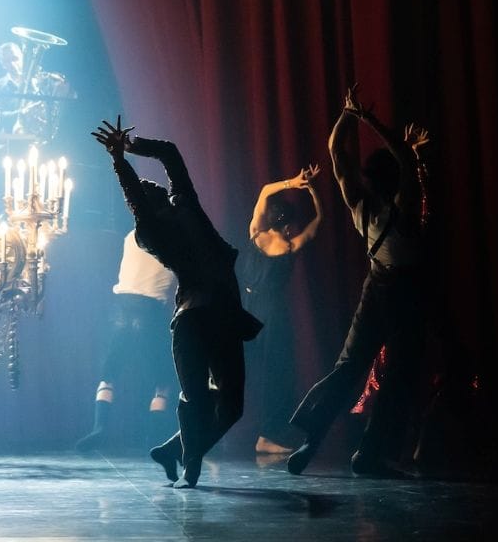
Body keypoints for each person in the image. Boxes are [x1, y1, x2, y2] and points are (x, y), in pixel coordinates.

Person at [92, 117, 262, 488]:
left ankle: (175, 451)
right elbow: (136, 196)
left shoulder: (184, 203)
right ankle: (190, 466)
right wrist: (120, 160)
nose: (149, 183)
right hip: (195, 317)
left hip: (222, 313)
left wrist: (131, 147)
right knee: (197, 399)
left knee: (231, 407)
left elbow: (169, 154)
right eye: (146, 187)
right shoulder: (150, 230)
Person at [287, 91, 426, 477]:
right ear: (396, 180)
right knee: (398, 375)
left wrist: (348, 115)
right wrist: (372, 121)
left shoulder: (358, 206)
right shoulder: (405, 208)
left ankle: (312, 437)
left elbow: (337, 153)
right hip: (406, 295)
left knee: (348, 367)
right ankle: (372, 453)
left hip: (374, 289)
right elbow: (402, 155)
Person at [240, 165, 324, 454]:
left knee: (238, 370)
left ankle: (215, 430)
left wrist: (293, 182)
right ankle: (266, 435)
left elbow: (265, 191)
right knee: (275, 374)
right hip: (274, 315)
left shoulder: (255, 233)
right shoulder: (290, 246)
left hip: (247, 310)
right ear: (288, 226)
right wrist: (312, 189)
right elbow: (319, 221)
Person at [75, 224, 176, 453]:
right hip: (150, 311)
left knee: (108, 376)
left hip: (121, 309)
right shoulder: (175, 241)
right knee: (162, 381)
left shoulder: (131, 236)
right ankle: (155, 439)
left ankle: (99, 427)